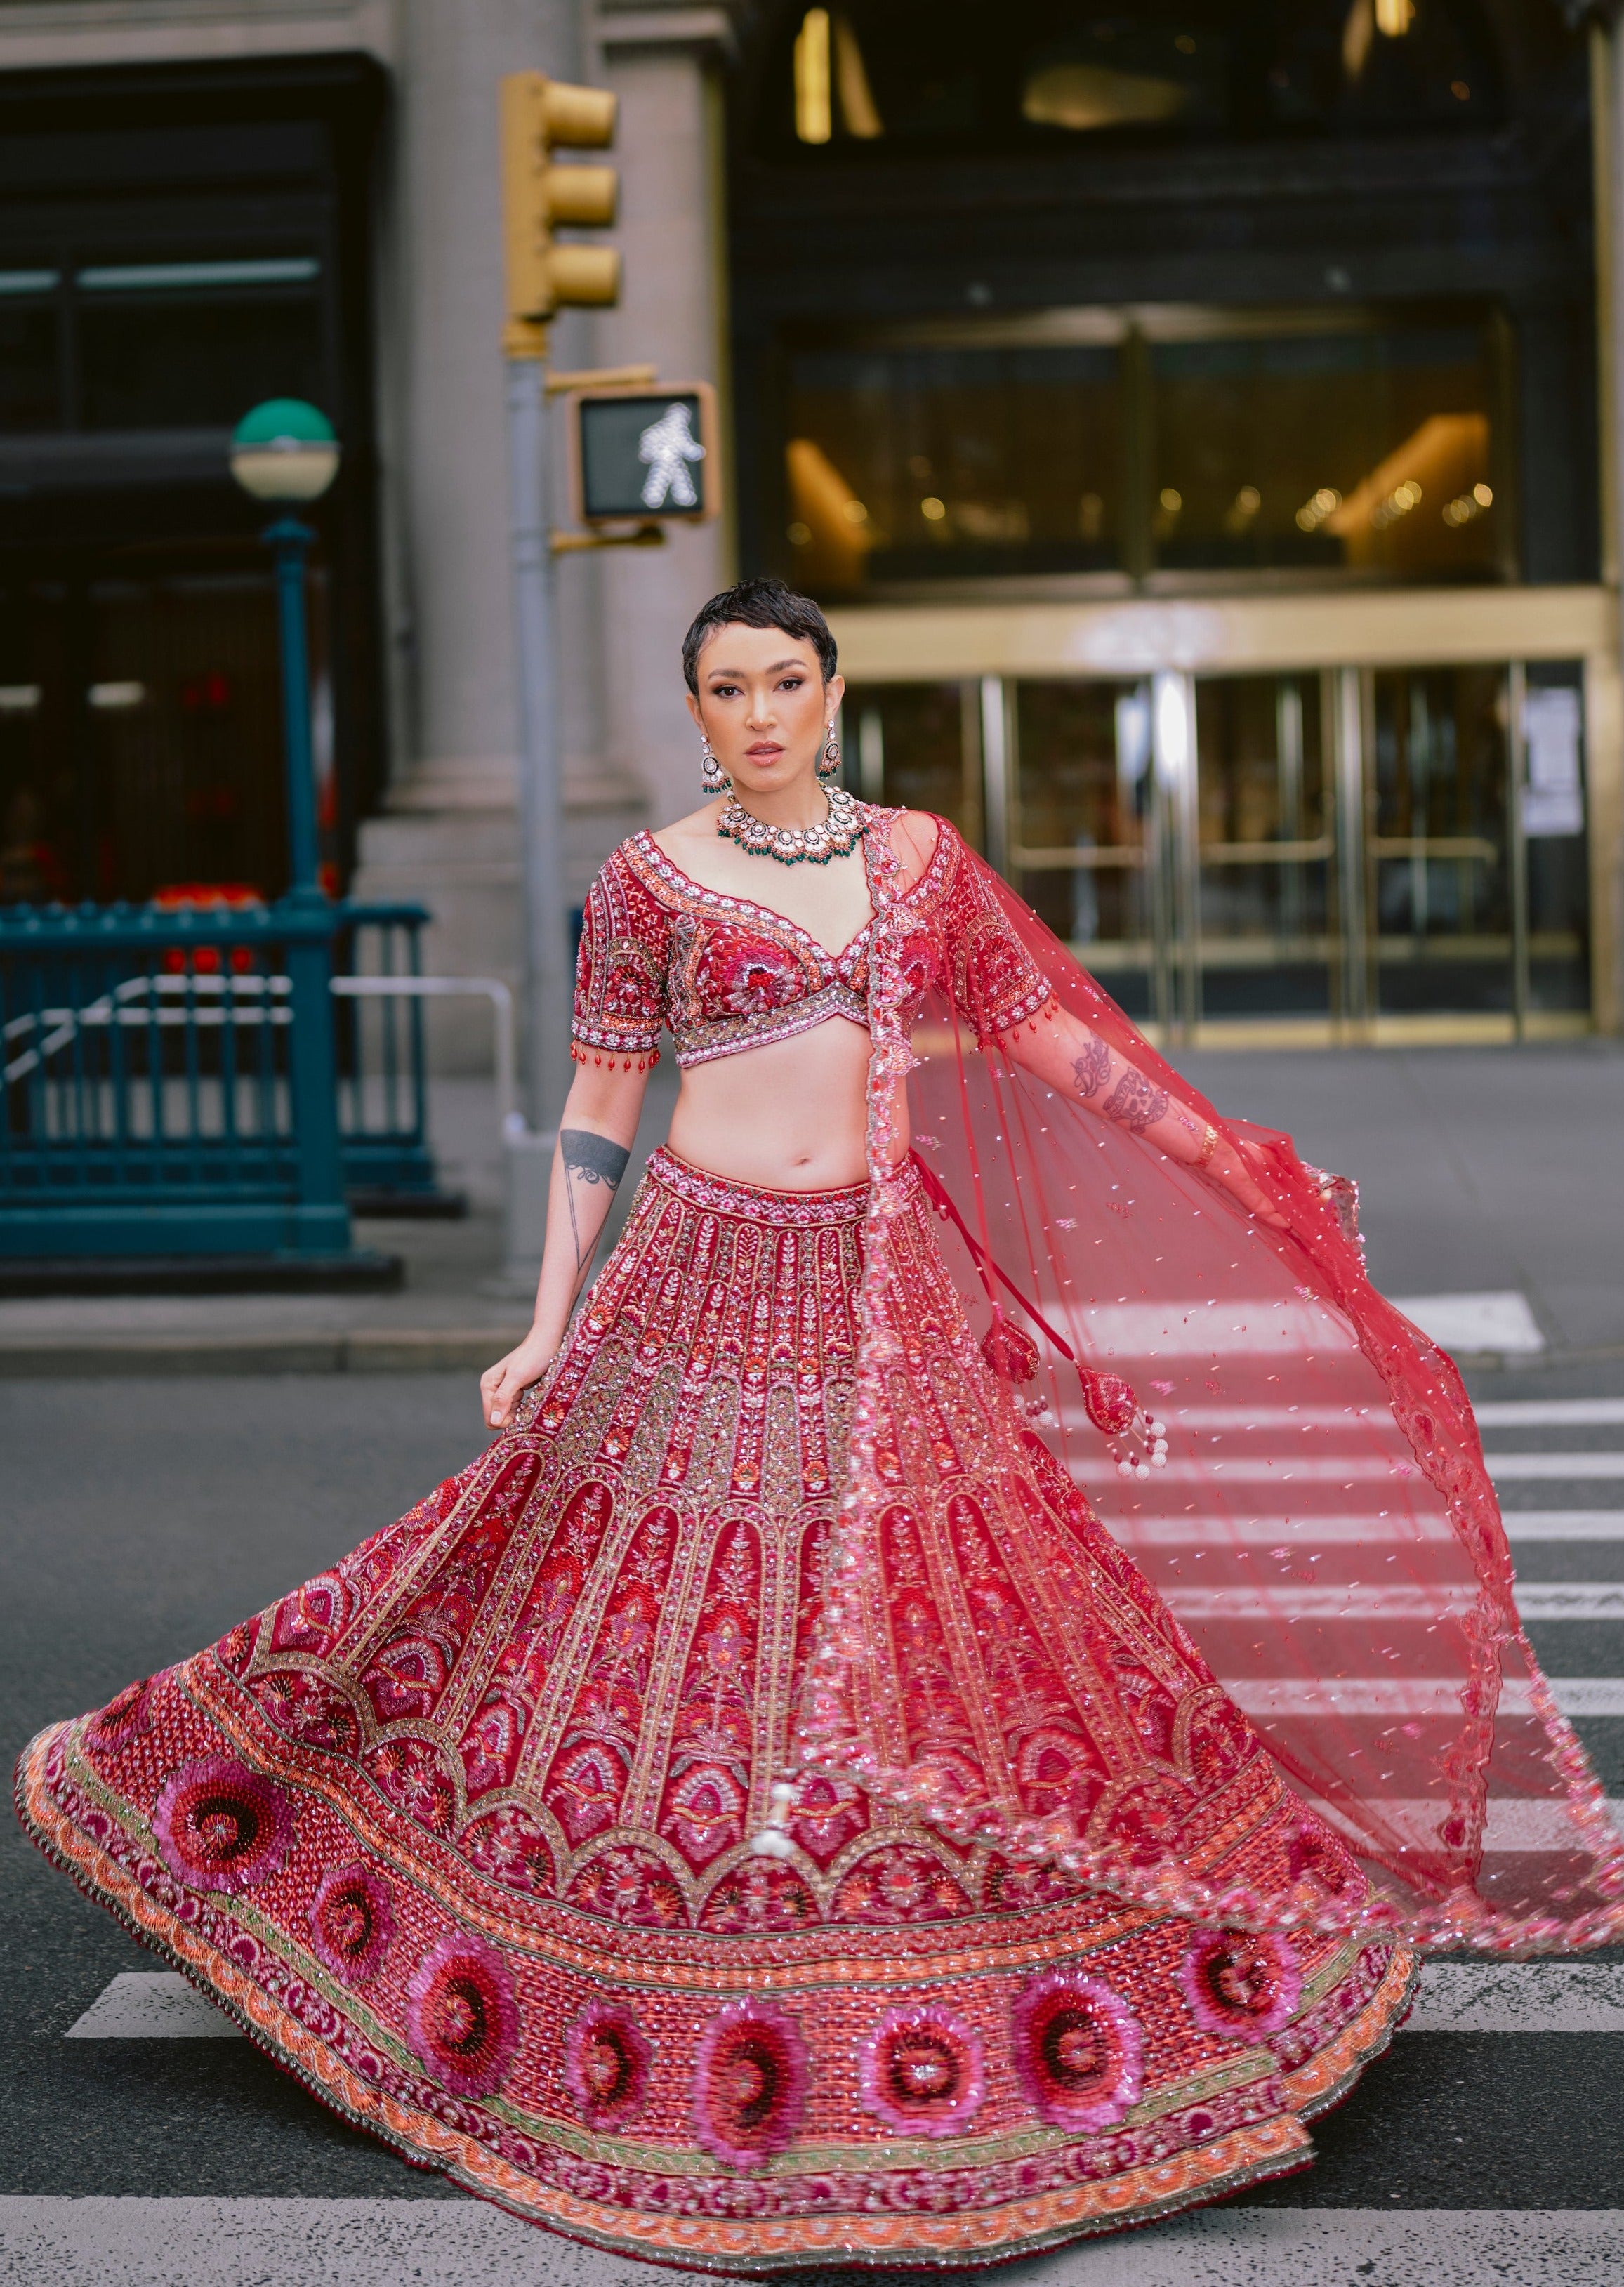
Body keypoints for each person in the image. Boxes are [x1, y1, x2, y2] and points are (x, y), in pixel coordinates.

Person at [19, 581, 1620, 2272]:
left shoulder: (922, 861)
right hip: (696, 1275)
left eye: (785, 680)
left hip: (876, 1286)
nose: (761, 713)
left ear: (832, 691)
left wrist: (1227, 1160)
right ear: (695, 710)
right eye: (728, 688)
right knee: (634, 1610)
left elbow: (1048, 1041)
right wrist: (547, 1317)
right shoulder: (646, 881)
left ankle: (965, 1957)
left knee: (958, 1610)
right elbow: (599, 1103)